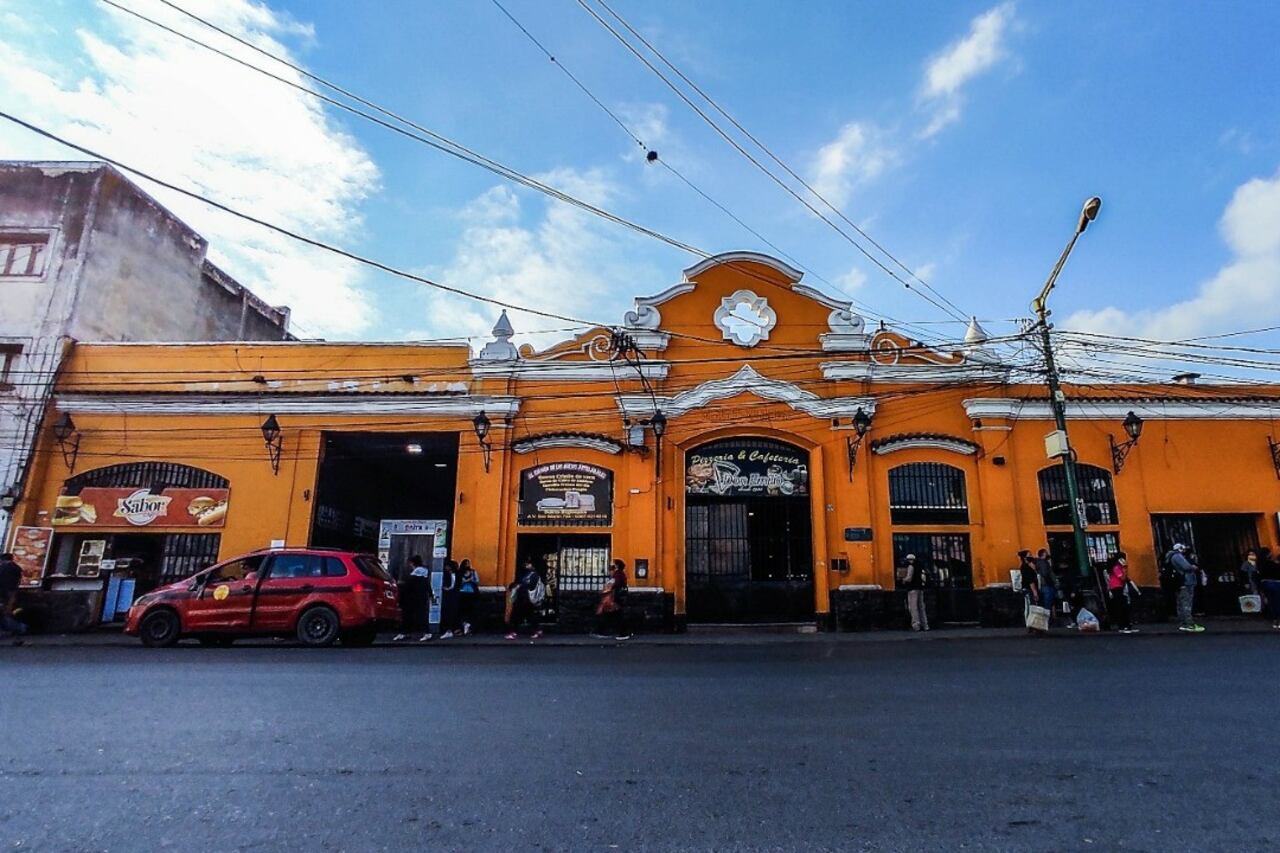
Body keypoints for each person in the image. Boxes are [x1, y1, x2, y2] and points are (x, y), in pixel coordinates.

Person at [393, 555, 434, 642]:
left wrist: (400, 585)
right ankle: (425, 632)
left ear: (412, 563)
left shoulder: (415, 575)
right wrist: (431, 595)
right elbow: (427, 585)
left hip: (412, 598)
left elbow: (408, 586)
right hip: (422, 597)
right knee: (421, 615)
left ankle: (406, 632)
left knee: (409, 615)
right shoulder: (424, 574)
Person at [1169, 544, 1204, 633]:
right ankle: (1189, 624)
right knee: (1186, 603)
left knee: (1180, 602)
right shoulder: (1177, 556)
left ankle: (1183, 623)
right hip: (1185, 581)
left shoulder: (1170, 556)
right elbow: (1186, 567)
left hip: (1178, 582)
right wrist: (1193, 567)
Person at [505, 558, 543, 640]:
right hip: (524, 599)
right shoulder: (527, 574)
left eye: (528, 564)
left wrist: (520, 586)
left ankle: (513, 632)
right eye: (526, 564)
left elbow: (530, 585)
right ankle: (537, 630)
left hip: (525, 599)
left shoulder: (534, 575)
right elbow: (520, 582)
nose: (526, 566)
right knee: (529, 615)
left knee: (516, 616)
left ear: (532, 565)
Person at [594, 559, 632, 640]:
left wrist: (607, 589)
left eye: (612, 564)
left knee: (617, 615)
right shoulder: (618, 574)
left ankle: (623, 633)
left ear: (617, 566)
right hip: (615, 597)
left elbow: (614, 584)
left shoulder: (618, 574)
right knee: (613, 615)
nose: (610, 566)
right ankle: (602, 631)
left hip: (616, 597)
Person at [0, 552, 27, 645]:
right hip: (11, 592)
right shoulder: (16, 568)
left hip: (4, 593)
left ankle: (20, 628)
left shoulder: (3, 568)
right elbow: (18, 580)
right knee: (7, 613)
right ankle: (18, 631)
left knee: (5, 615)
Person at [1107, 552, 1138, 634]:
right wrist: (1124, 569)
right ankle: (1122, 626)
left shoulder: (1116, 567)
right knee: (1121, 607)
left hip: (1119, 587)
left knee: (1123, 607)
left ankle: (1127, 625)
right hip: (1117, 587)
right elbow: (1123, 578)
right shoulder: (1116, 567)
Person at [900, 554, 928, 632]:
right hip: (920, 588)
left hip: (912, 589)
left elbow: (909, 578)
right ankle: (925, 625)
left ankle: (916, 625)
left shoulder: (911, 566)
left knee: (913, 608)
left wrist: (903, 579)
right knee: (921, 607)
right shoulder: (920, 566)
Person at [1018, 550, 1041, 634]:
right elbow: (1030, 580)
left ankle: (1032, 625)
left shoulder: (1028, 566)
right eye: (1029, 555)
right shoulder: (1025, 567)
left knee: (1031, 606)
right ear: (1025, 558)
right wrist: (1034, 591)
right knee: (1030, 607)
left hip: (1029, 589)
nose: (1031, 556)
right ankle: (1030, 624)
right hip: (1029, 589)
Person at [456, 559, 480, 636]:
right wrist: (465, 581)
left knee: (471, 611)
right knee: (462, 610)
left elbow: (477, 581)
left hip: (471, 592)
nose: (467, 565)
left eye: (468, 563)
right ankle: (464, 626)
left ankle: (469, 627)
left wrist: (471, 580)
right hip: (462, 592)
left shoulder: (473, 572)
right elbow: (458, 582)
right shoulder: (460, 573)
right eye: (466, 564)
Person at [437, 559, 459, 639]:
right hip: (448, 594)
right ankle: (448, 630)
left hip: (453, 594)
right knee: (447, 612)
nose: (446, 567)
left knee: (452, 612)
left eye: (447, 566)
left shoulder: (456, 574)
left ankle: (451, 630)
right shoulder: (446, 574)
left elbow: (457, 584)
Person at [1258, 548, 1280, 630]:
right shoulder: (1272, 564)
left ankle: (1275, 619)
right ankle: (1278, 618)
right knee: (1277, 601)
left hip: (1265, 583)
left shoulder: (1260, 564)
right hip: (1275, 583)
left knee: (1271, 601)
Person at [1034, 548, 1059, 618]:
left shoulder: (1039, 562)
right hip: (1047, 585)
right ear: (1043, 554)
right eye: (1046, 552)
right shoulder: (1043, 563)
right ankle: (1047, 619)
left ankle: (1047, 618)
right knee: (1048, 603)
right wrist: (1052, 582)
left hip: (1044, 584)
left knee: (1046, 603)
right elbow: (1046, 573)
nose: (1047, 554)